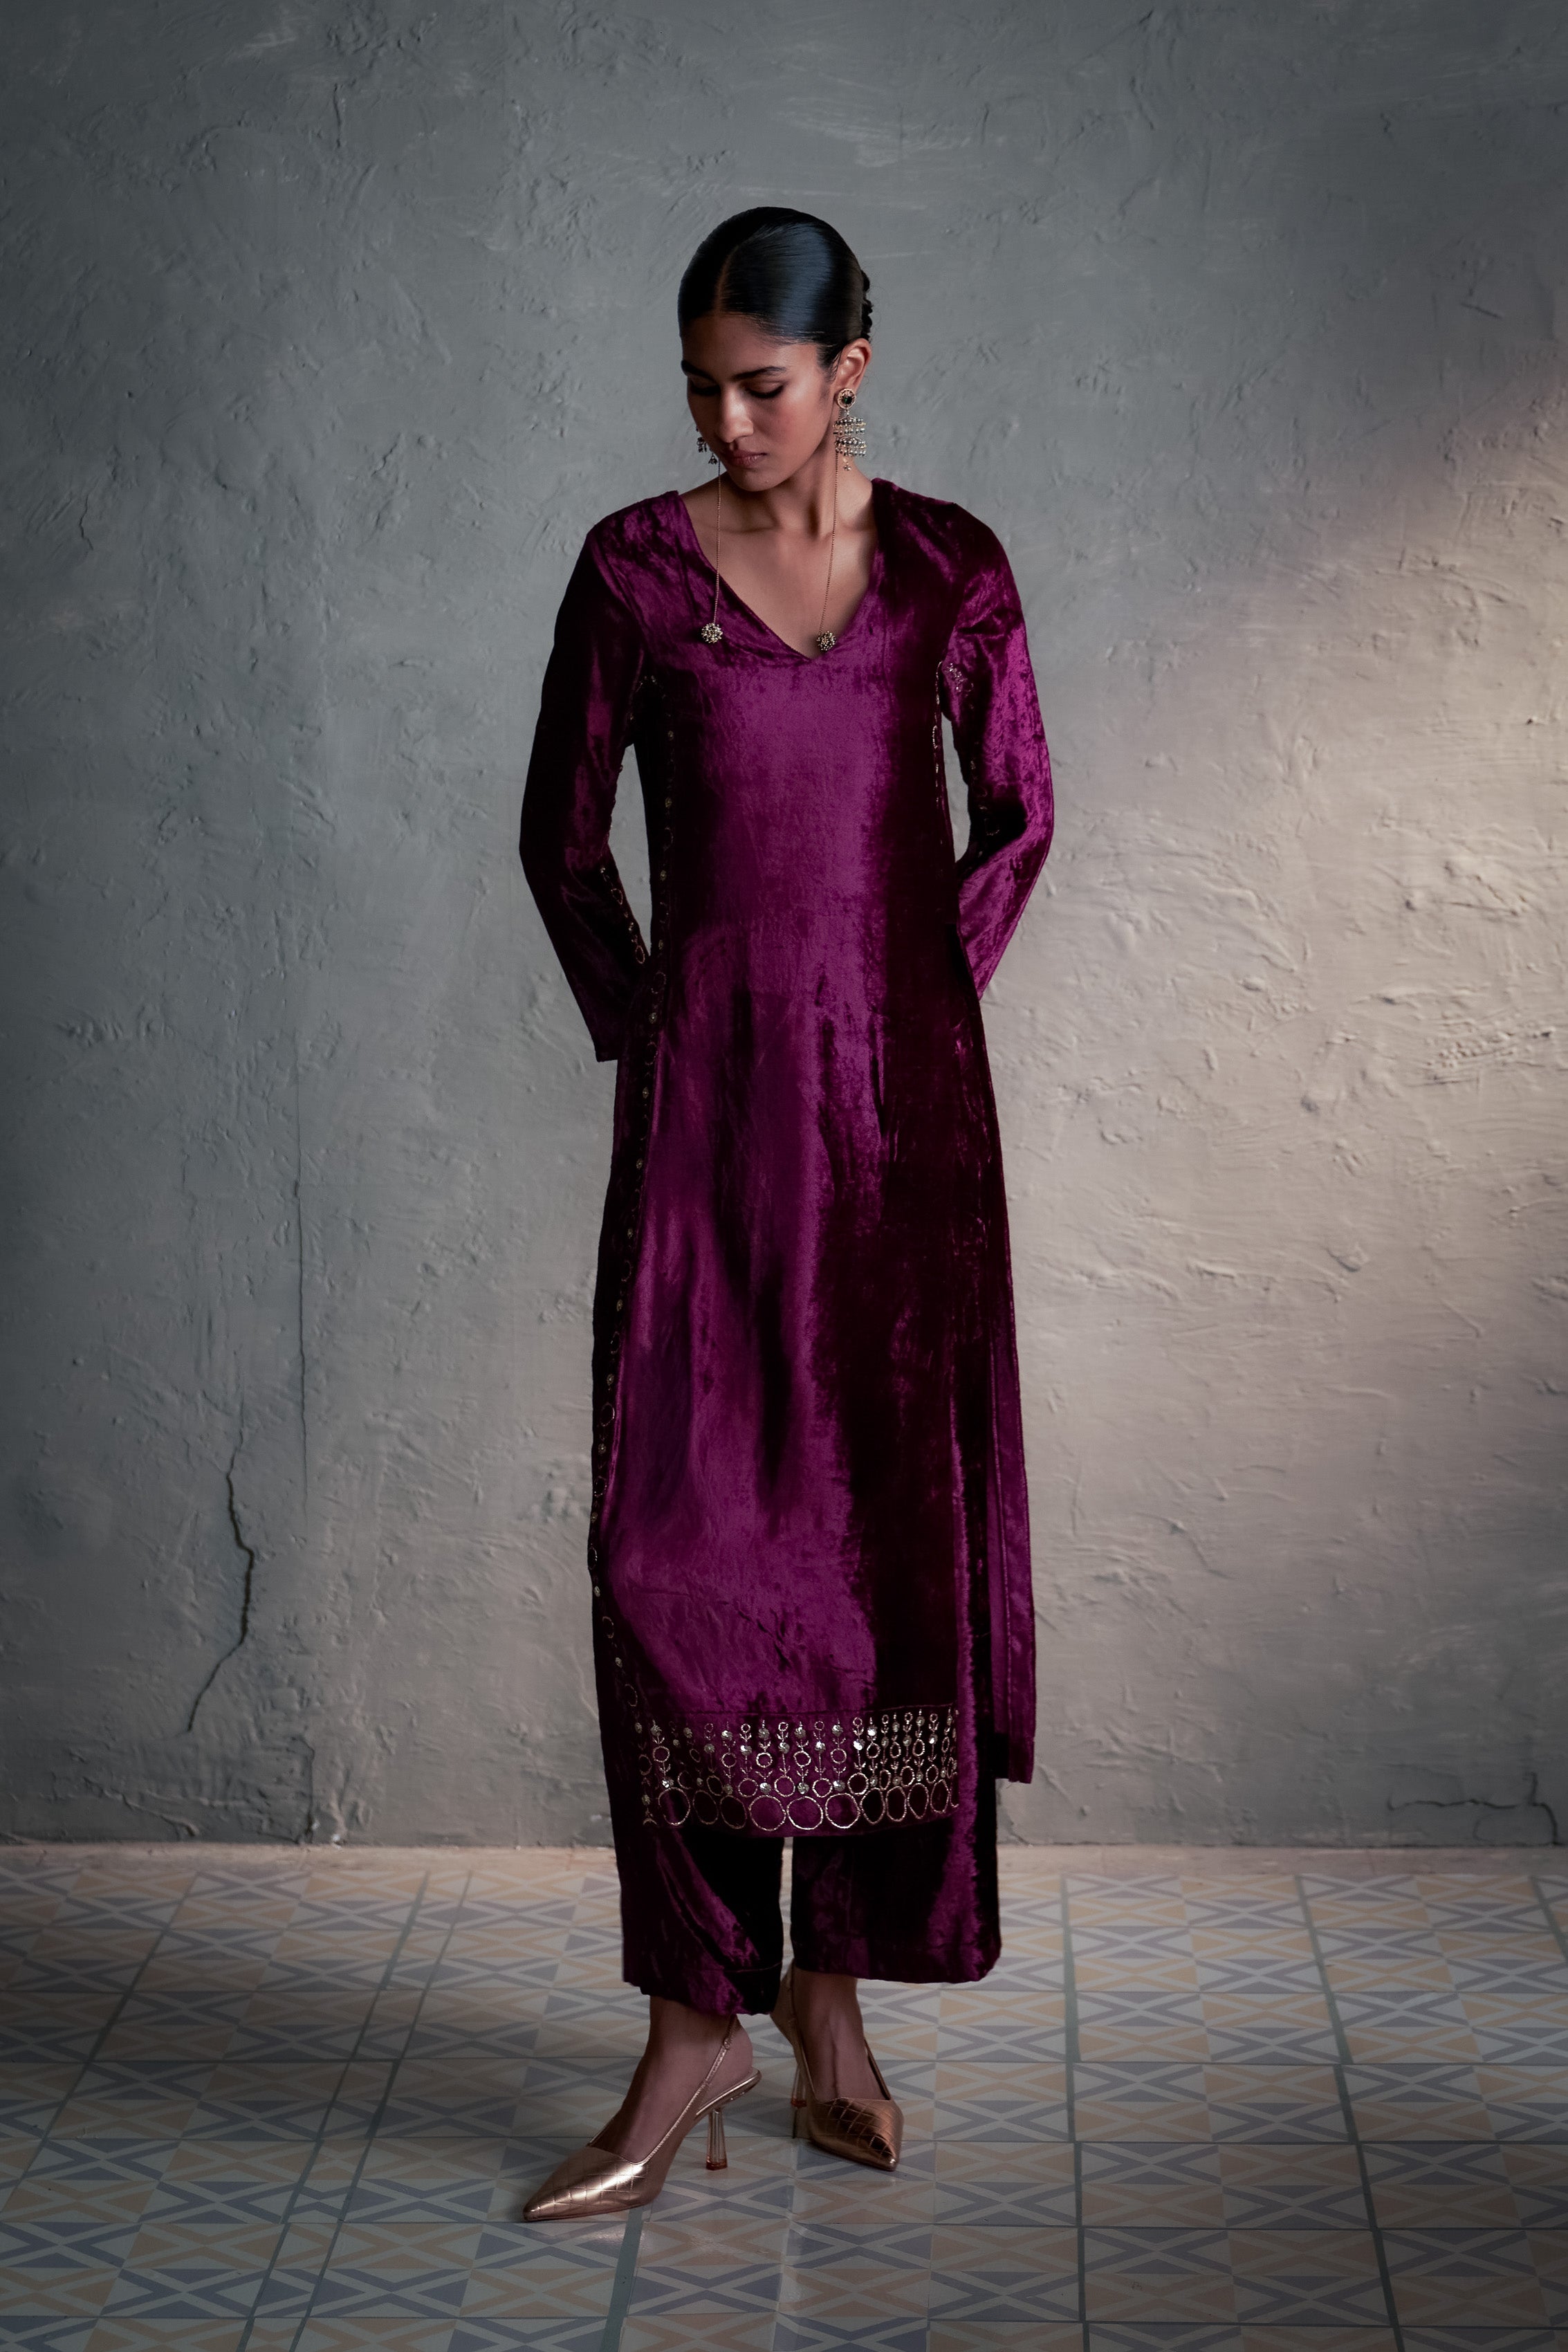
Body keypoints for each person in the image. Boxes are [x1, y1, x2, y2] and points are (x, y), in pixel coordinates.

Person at [517, 208, 1053, 2221]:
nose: (725, 420)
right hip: (708, 1129)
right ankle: (695, 2018)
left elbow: (1020, 811)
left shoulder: (948, 569)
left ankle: (832, 2003)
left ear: (850, 370)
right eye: (700, 386)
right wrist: (660, 1026)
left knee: (885, 1558)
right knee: (674, 1552)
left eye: (761, 384)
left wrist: (909, 1007)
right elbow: (559, 838)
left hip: (905, 1147)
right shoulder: (634, 574)